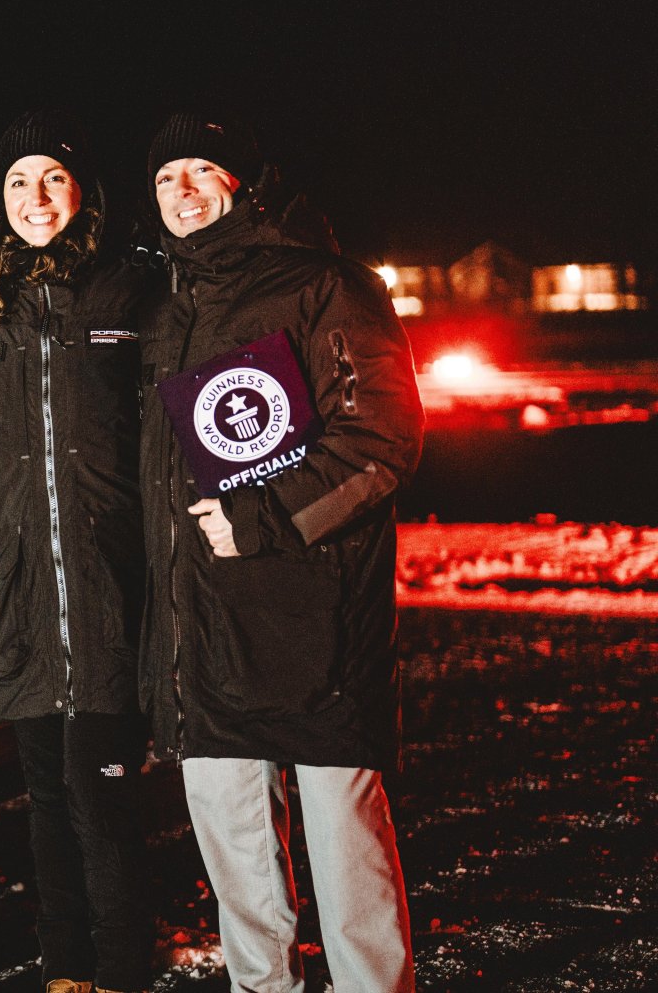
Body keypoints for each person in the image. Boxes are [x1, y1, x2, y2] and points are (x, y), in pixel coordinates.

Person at [139, 110, 422, 992]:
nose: (180, 193)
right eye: (163, 179)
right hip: (209, 631)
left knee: (348, 856)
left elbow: (382, 439)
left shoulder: (325, 285)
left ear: (240, 184)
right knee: (239, 871)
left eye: (199, 171)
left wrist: (263, 518)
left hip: (315, 622)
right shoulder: (167, 311)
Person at [0, 111, 155, 993]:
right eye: (16, 182)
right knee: (44, 799)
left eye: (52, 179)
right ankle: (67, 969)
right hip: (18, 591)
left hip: (109, 586)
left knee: (105, 799)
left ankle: (121, 970)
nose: (35, 199)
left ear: (84, 192)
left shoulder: (129, 291)